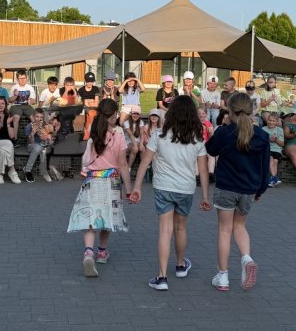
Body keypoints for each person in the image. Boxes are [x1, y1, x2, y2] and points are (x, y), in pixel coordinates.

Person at [129, 95, 209, 291]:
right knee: (180, 228)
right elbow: (204, 169)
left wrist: (137, 187)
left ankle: (162, 276)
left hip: (163, 187)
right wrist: (206, 196)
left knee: (165, 231)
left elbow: (145, 162)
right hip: (186, 188)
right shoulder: (197, 138)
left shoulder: (159, 136)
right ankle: (181, 265)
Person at [205, 92, 268, 291]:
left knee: (224, 230)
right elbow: (264, 167)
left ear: (230, 111)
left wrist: (221, 127)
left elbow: (211, 149)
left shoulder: (225, 132)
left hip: (227, 187)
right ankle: (246, 259)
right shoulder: (262, 135)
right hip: (249, 188)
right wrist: (260, 190)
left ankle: (223, 276)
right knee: (240, 226)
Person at [68, 98, 133, 278]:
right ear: (113, 116)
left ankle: (88, 251)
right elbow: (123, 164)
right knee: (106, 217)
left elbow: (86, 160)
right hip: (111, 181)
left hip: (92, 180)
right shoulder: (118, 137)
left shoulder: (93, 136)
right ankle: (102, 252)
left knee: (91, 218)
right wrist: (129, 189)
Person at [24, 108, 55, 183]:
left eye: (41, 117)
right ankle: (27, 170)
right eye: (37, 117)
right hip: (32, 146)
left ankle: (45, 171)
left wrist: (48, 136)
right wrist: (33, 133)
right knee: (38, 148)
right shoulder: (29, 126)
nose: (39, 119)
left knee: (44, 149)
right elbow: (30, 142)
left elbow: (51, 140)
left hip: (44, 145)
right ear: (34, 117)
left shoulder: (46, 126)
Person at [262, 113, 285, 188]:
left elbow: (282, 144)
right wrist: (268, 140)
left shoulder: (280, 130)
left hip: (277, 150)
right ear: (267, 120)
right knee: (271, 159)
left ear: (277, 122)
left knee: (275, 161)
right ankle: (274, 178)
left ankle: (272, 179)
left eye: (273, 121)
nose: (271, 122)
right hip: (267, 149)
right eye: (269, 120)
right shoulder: (263, 129)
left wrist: (276, 140)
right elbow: (260, 142)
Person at [78, 72, 101, 140]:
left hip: (93, 109)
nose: (90, 83)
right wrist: (89, 101)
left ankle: (88, 133)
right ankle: (87, 133)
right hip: (83, 108)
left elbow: (96, 103)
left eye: (91, 81)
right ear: (85, 81)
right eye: (88, 81)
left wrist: (86, 101)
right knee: (88, 114)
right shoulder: (81, 90)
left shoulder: (96, 89)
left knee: (91, 113)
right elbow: (79, 102)